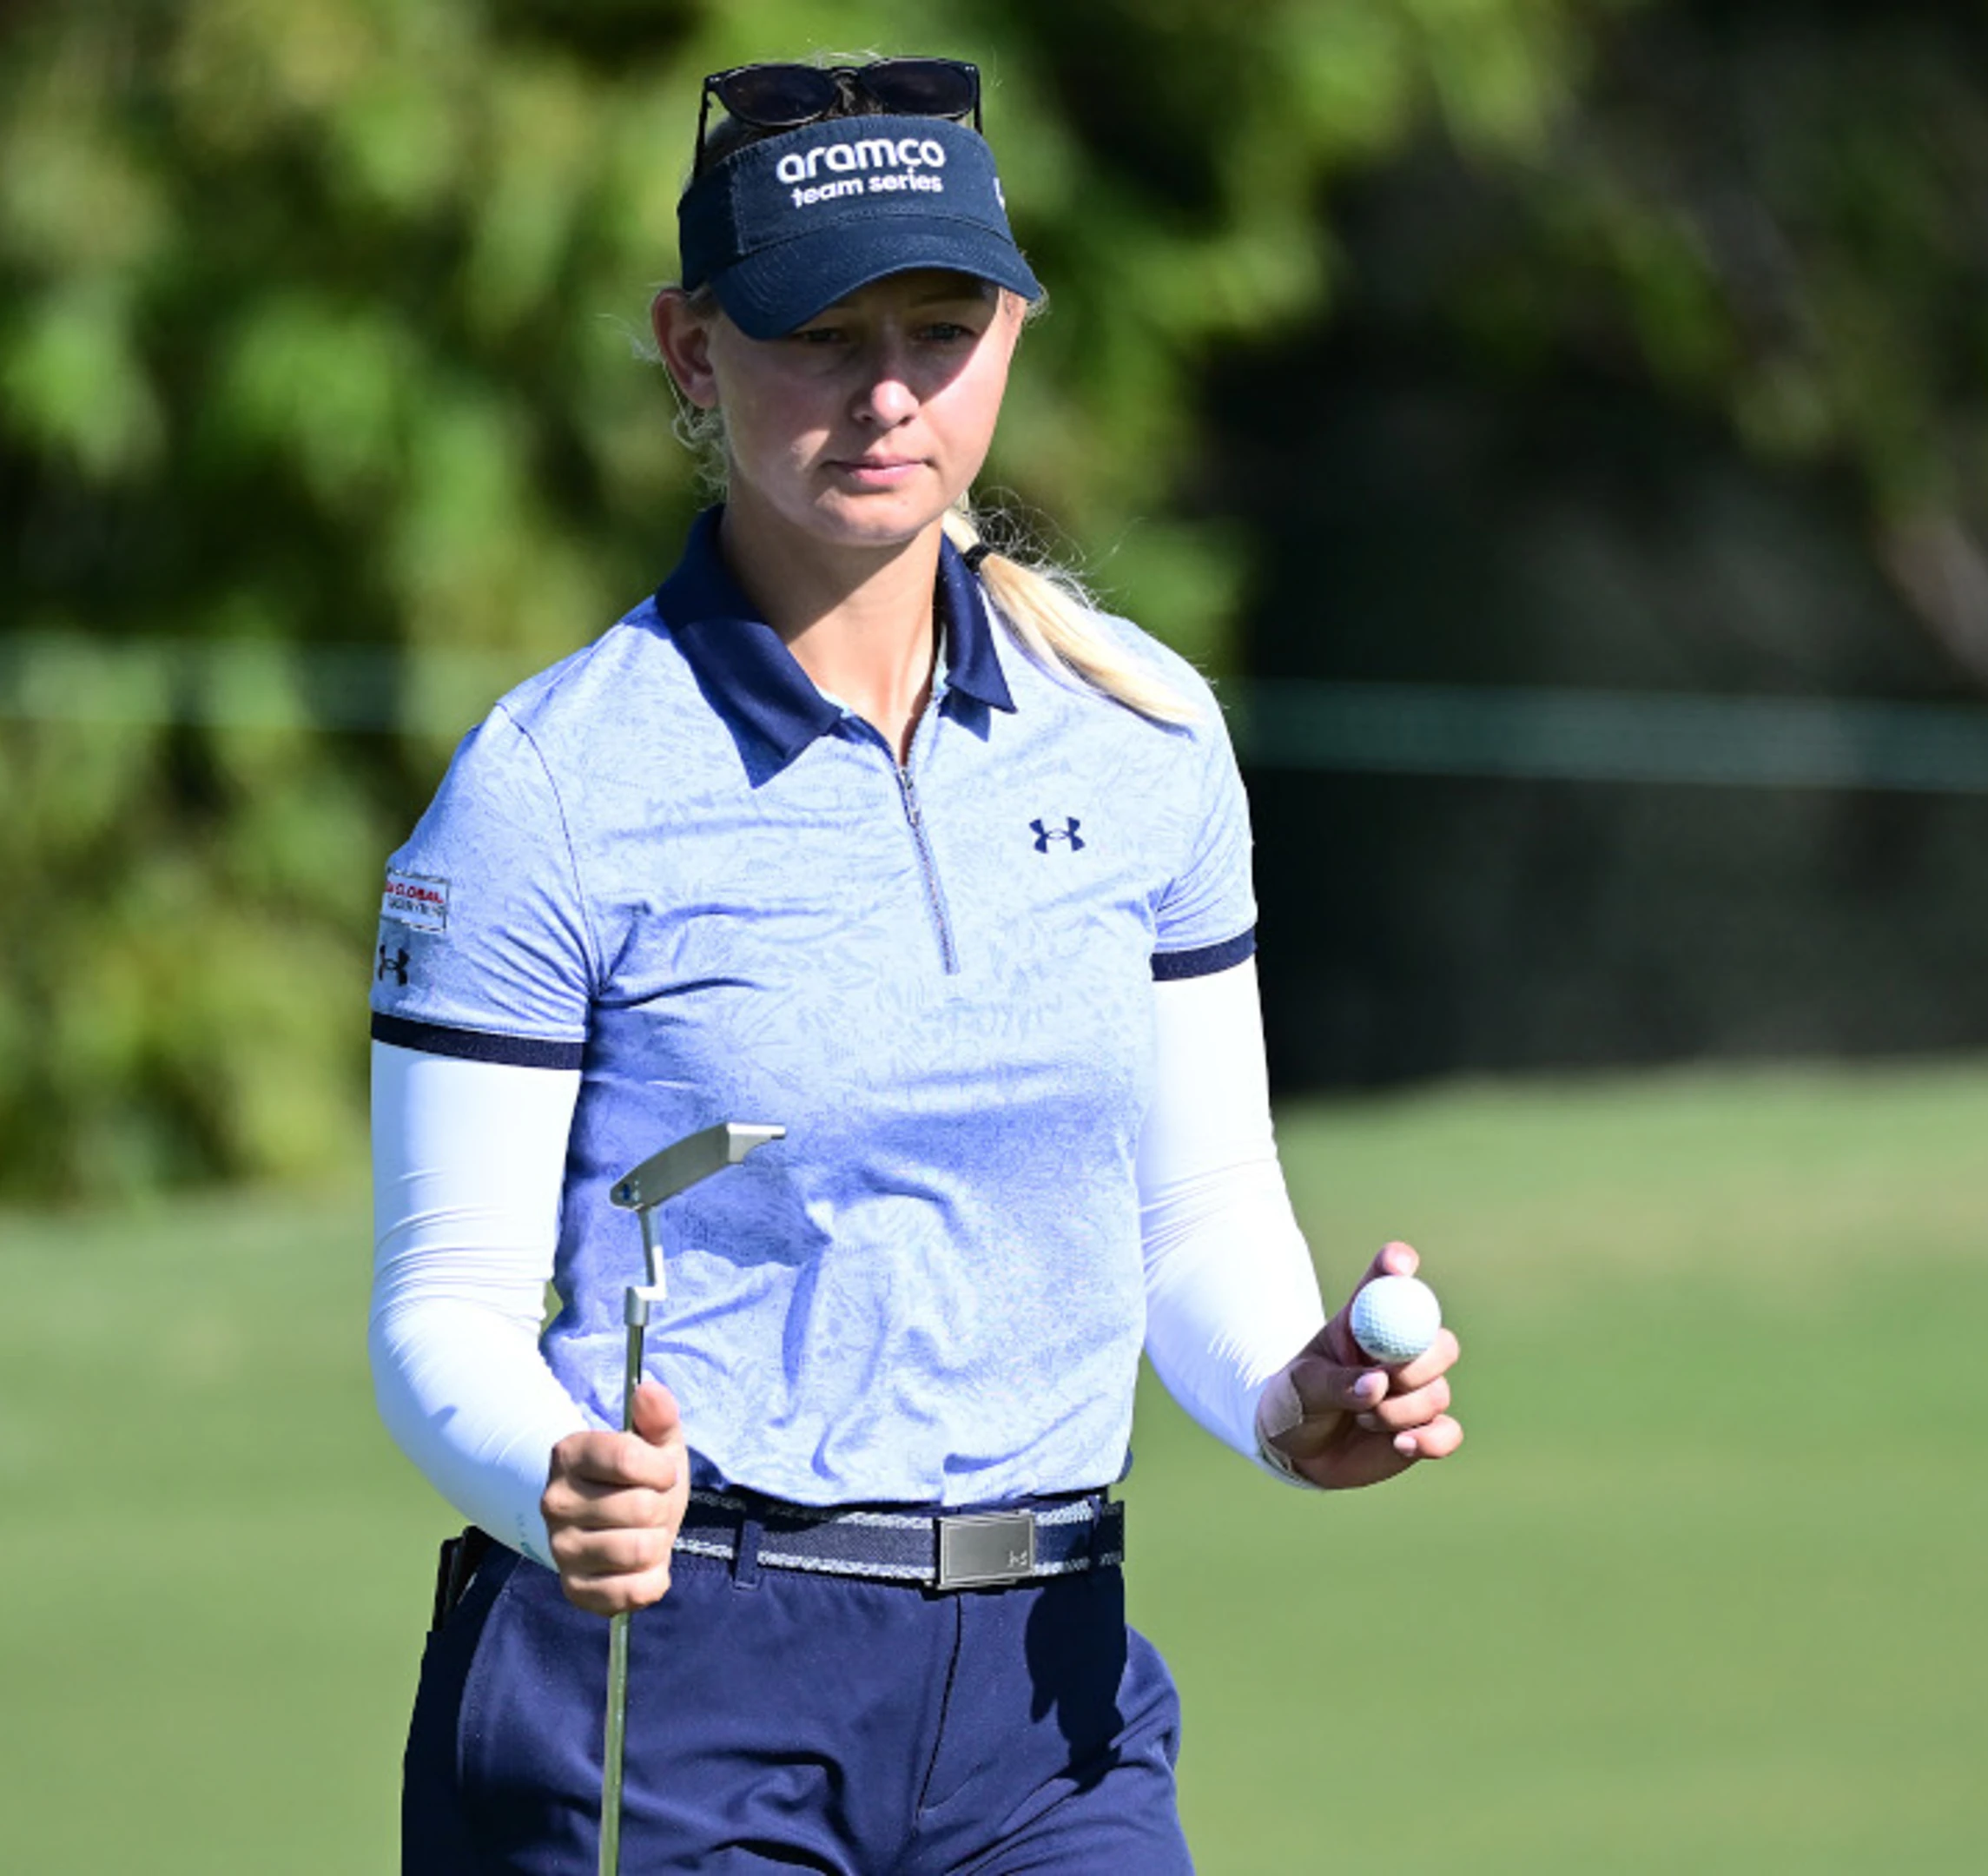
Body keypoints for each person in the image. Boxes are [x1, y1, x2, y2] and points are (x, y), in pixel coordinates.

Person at [366, 55, 1462, 1873]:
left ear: (1013, 334)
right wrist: (550, 1481)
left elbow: (1189, 1214)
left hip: (1046, 1696)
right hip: (668, 1684)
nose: (888, 395)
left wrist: (1292, 1392)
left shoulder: (1144, 738)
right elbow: (443, 1307)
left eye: (942, 330)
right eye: (820, 335)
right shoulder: (549, 788)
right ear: (692, 349)